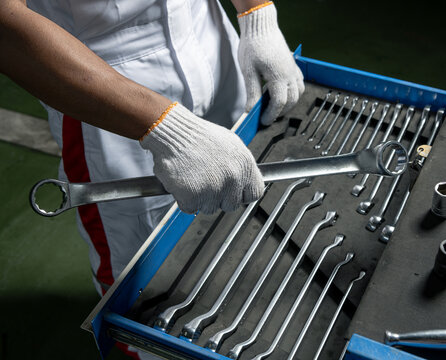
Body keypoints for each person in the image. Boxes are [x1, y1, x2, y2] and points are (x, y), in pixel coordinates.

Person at [0, 0, 303, 357]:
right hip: (107, 96)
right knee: (142, 296)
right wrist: (165, 129)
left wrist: (257, 15)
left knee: (233, 230)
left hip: (213, 45)